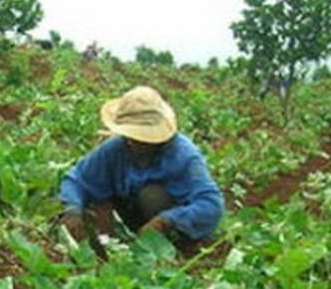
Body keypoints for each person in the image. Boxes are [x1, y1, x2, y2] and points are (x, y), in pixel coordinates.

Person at [59, 86, 224, 253]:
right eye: (131, 137)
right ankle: (107, 245)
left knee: (151, 197)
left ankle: (164, 250)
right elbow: (76, 179)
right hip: (120, 221)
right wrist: (72, 210)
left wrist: (165, 221)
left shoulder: (184, 155)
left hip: (163, 228)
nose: (134, 143)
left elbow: (211, 205)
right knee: (95, 203)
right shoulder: (116, 148)